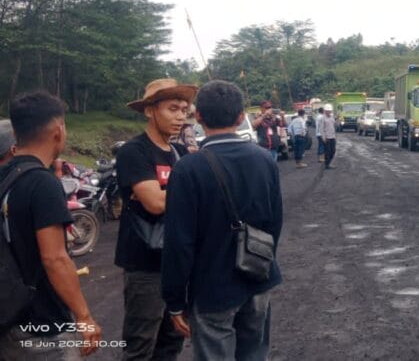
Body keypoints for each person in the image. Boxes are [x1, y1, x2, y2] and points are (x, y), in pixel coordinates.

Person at [162, 80, 282, 360]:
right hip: (257, 279)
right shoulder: (265, 160)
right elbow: (275, 222)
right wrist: (263, 262)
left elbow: (179, 242)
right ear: (241, 118)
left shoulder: (188, 169)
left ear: (199, 117)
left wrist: (175, 301)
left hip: (211, 289)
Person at [0, 92, 103, 359]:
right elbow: (55, 258)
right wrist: (84, 316)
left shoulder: (6, 176)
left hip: (9, 317)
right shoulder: (42, 183)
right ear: (58, 131)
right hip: (44, 325)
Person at [116, 78, 195, 360]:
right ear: (150, 110)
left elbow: (165, 199)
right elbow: (154, 202)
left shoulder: (181, 153)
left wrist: (166, 194)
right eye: (173, 108)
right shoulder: (133, 152)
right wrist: (183, 195)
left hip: (179, 262)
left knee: (172, 342)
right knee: (140, 346)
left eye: (184, 109)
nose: (181, 116)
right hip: (145, 265)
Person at [320, 104, 337, 169]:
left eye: (330, 111)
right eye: (327, 111)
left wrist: (337, 120)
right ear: (325, 111)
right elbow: (321, 129)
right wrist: (323, 138)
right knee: (327, 152)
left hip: (332, 137)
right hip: (327, 138)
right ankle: (327, 164)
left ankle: (328, 162)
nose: (329, 112)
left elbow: (334, 125)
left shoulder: (332, 117)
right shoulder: (322, 118)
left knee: (333, 151)